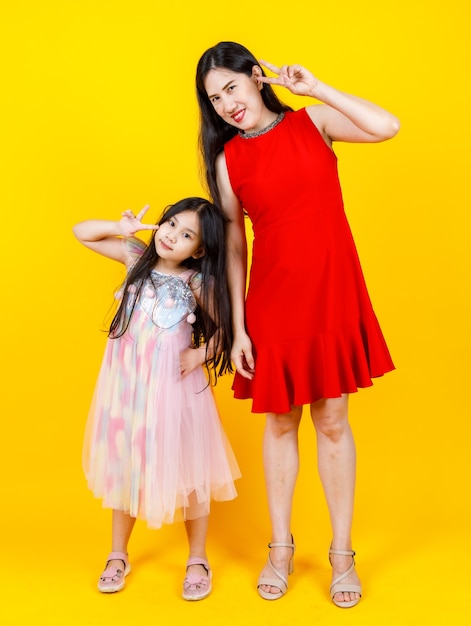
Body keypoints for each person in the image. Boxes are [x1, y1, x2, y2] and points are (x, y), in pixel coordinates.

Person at [195, 41, 400, 607]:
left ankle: (341, 556)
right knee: (281, 423)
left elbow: (388, 125)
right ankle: (279, 549)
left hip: (332, 292)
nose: (226, 105)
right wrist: (237, 328)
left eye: (231, 88)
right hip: (273, 301)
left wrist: (314, 87)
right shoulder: (228, 159)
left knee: (333, 422)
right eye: (215, 100)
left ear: (257, 78)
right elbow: (234, 245)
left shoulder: (314, 121)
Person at [73, 198, 241, 601]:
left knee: (190, 469)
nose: (171, 235)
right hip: (128, 391)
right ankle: (118, 554)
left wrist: (199, 354)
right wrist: (122, 227)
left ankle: (197, 559)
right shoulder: (135, 258)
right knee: (125, 465)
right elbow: (82, 232)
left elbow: (227, 331)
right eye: (170, 224)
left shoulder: (196, 283)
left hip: (175, 394)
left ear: (198, 251)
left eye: (186, 235)